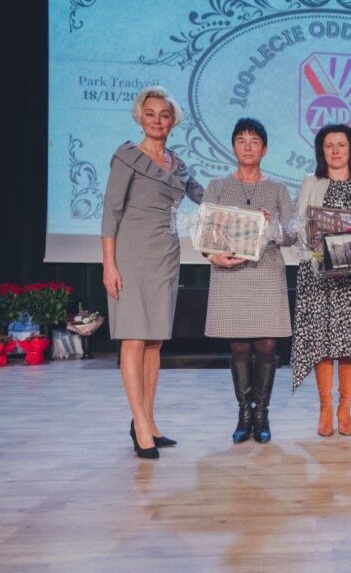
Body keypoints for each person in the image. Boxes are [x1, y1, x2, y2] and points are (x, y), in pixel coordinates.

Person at [101, 86, 204, 459]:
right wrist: (109, 264)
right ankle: (140, 427)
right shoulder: (127, 157)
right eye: (151, 114)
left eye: (164, 115)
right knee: (133, 338)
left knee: (155, 341)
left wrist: (248, 210)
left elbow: (206, 199)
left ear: (173, 121)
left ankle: (147, 420)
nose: (157, 120)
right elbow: (111, 212)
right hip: (131, 254)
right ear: (140, 118)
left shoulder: (179, 165)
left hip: (166, 255)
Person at [203, 118, 294, 444]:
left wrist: (273, 225)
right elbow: (204, 232)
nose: (247, 146)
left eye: (254, 141)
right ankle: (244, 413)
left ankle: (262, 414)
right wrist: (212, 255)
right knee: (239, 345)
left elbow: (292, 234)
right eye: (241, 140)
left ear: (264, 149)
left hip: (266, 273)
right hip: (231, 275)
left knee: (267, 345)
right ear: (233, 147)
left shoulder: (278, 189)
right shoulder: (217, 186)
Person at [292, 124, 351, 437]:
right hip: (318, 273)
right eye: (328, 145)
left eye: (341, 144)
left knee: (350, 341)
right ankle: (325, 408)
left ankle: (345, 408)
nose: (335, 150)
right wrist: (315, 242)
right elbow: (299, 225)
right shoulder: (311, 181)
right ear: (321, 150)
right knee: (321, 341)